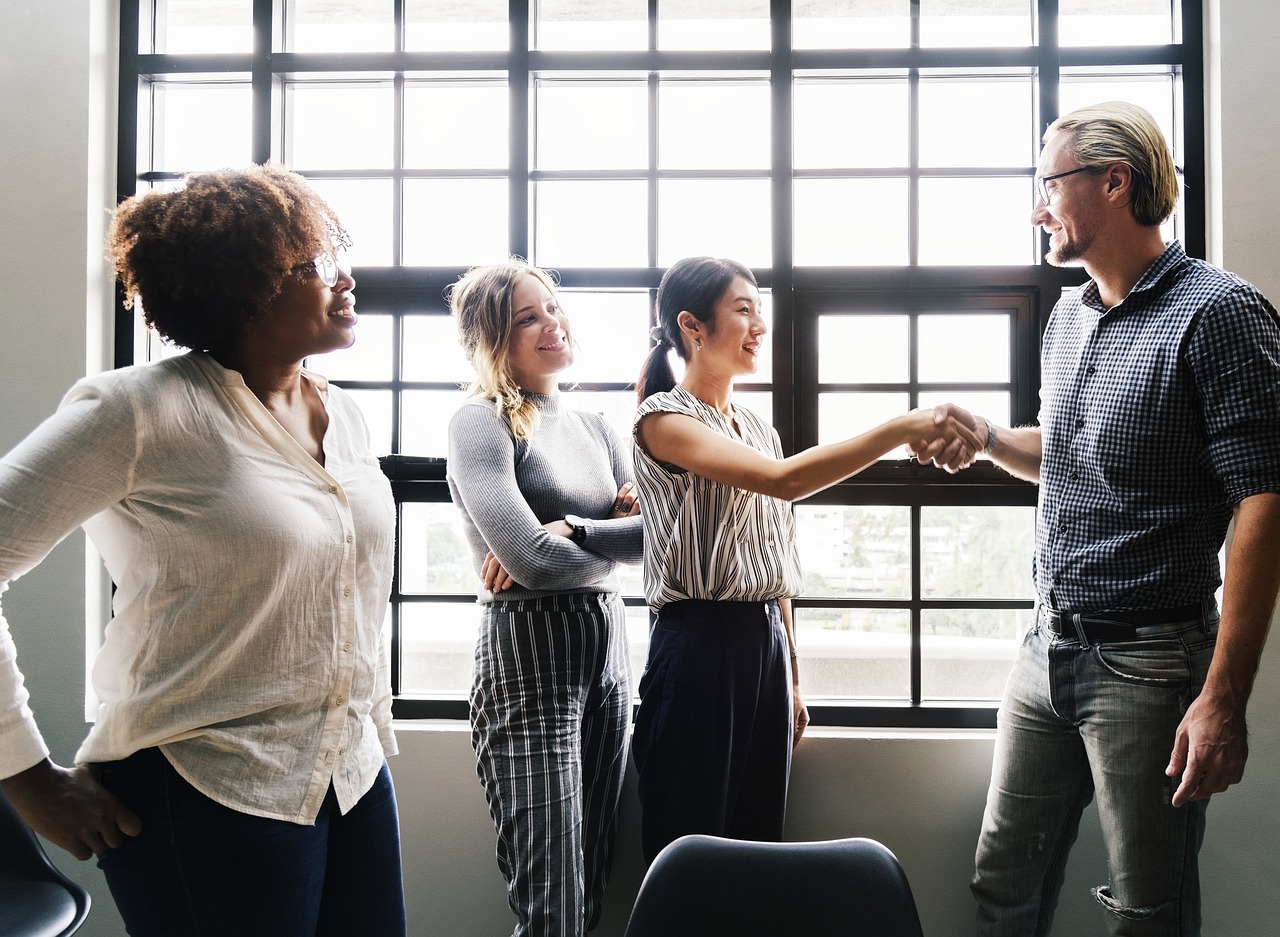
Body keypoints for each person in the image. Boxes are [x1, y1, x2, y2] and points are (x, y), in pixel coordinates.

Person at [0, 164, 406, 936]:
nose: (345, 278)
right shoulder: (136, 411)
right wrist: (24, 778)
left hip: (350, 775)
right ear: (244, 283)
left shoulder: (343, 415)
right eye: (314, 264)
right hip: (203, 787)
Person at [911, 101, 1280, 936]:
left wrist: (1223, 697)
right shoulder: (1069, 315)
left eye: (1049, 184)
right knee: (1002, 887)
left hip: (1151, 664)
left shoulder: (1219, 313)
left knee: (1148, 910)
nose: (1037, 206)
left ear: (1115, 183)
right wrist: (992, 439)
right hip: (1045, 651)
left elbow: (1265, 499)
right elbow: (1077, 452)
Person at [631, 255, 982, 863]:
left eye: (758, 311)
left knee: (757, 845)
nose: (759, 326)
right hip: (696, 650)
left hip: (762, 643)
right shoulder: (662, 420)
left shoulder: (755, 427)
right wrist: (899, 428)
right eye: (743, 310)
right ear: (692, 326)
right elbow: (785, 483)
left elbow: (774, 556)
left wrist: (792, 672)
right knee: (690, 853)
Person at [445, 259, 644, 937]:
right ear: (491, 338)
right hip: (527, 665)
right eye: (527, 316)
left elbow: (663, 541)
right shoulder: (480, 423)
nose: (551, 324)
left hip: (608, 656)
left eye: (552, 307)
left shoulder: (596, 425)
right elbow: (528, 560)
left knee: (591, 887)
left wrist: (577, 529)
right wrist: (607, 538)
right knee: (551, 905)